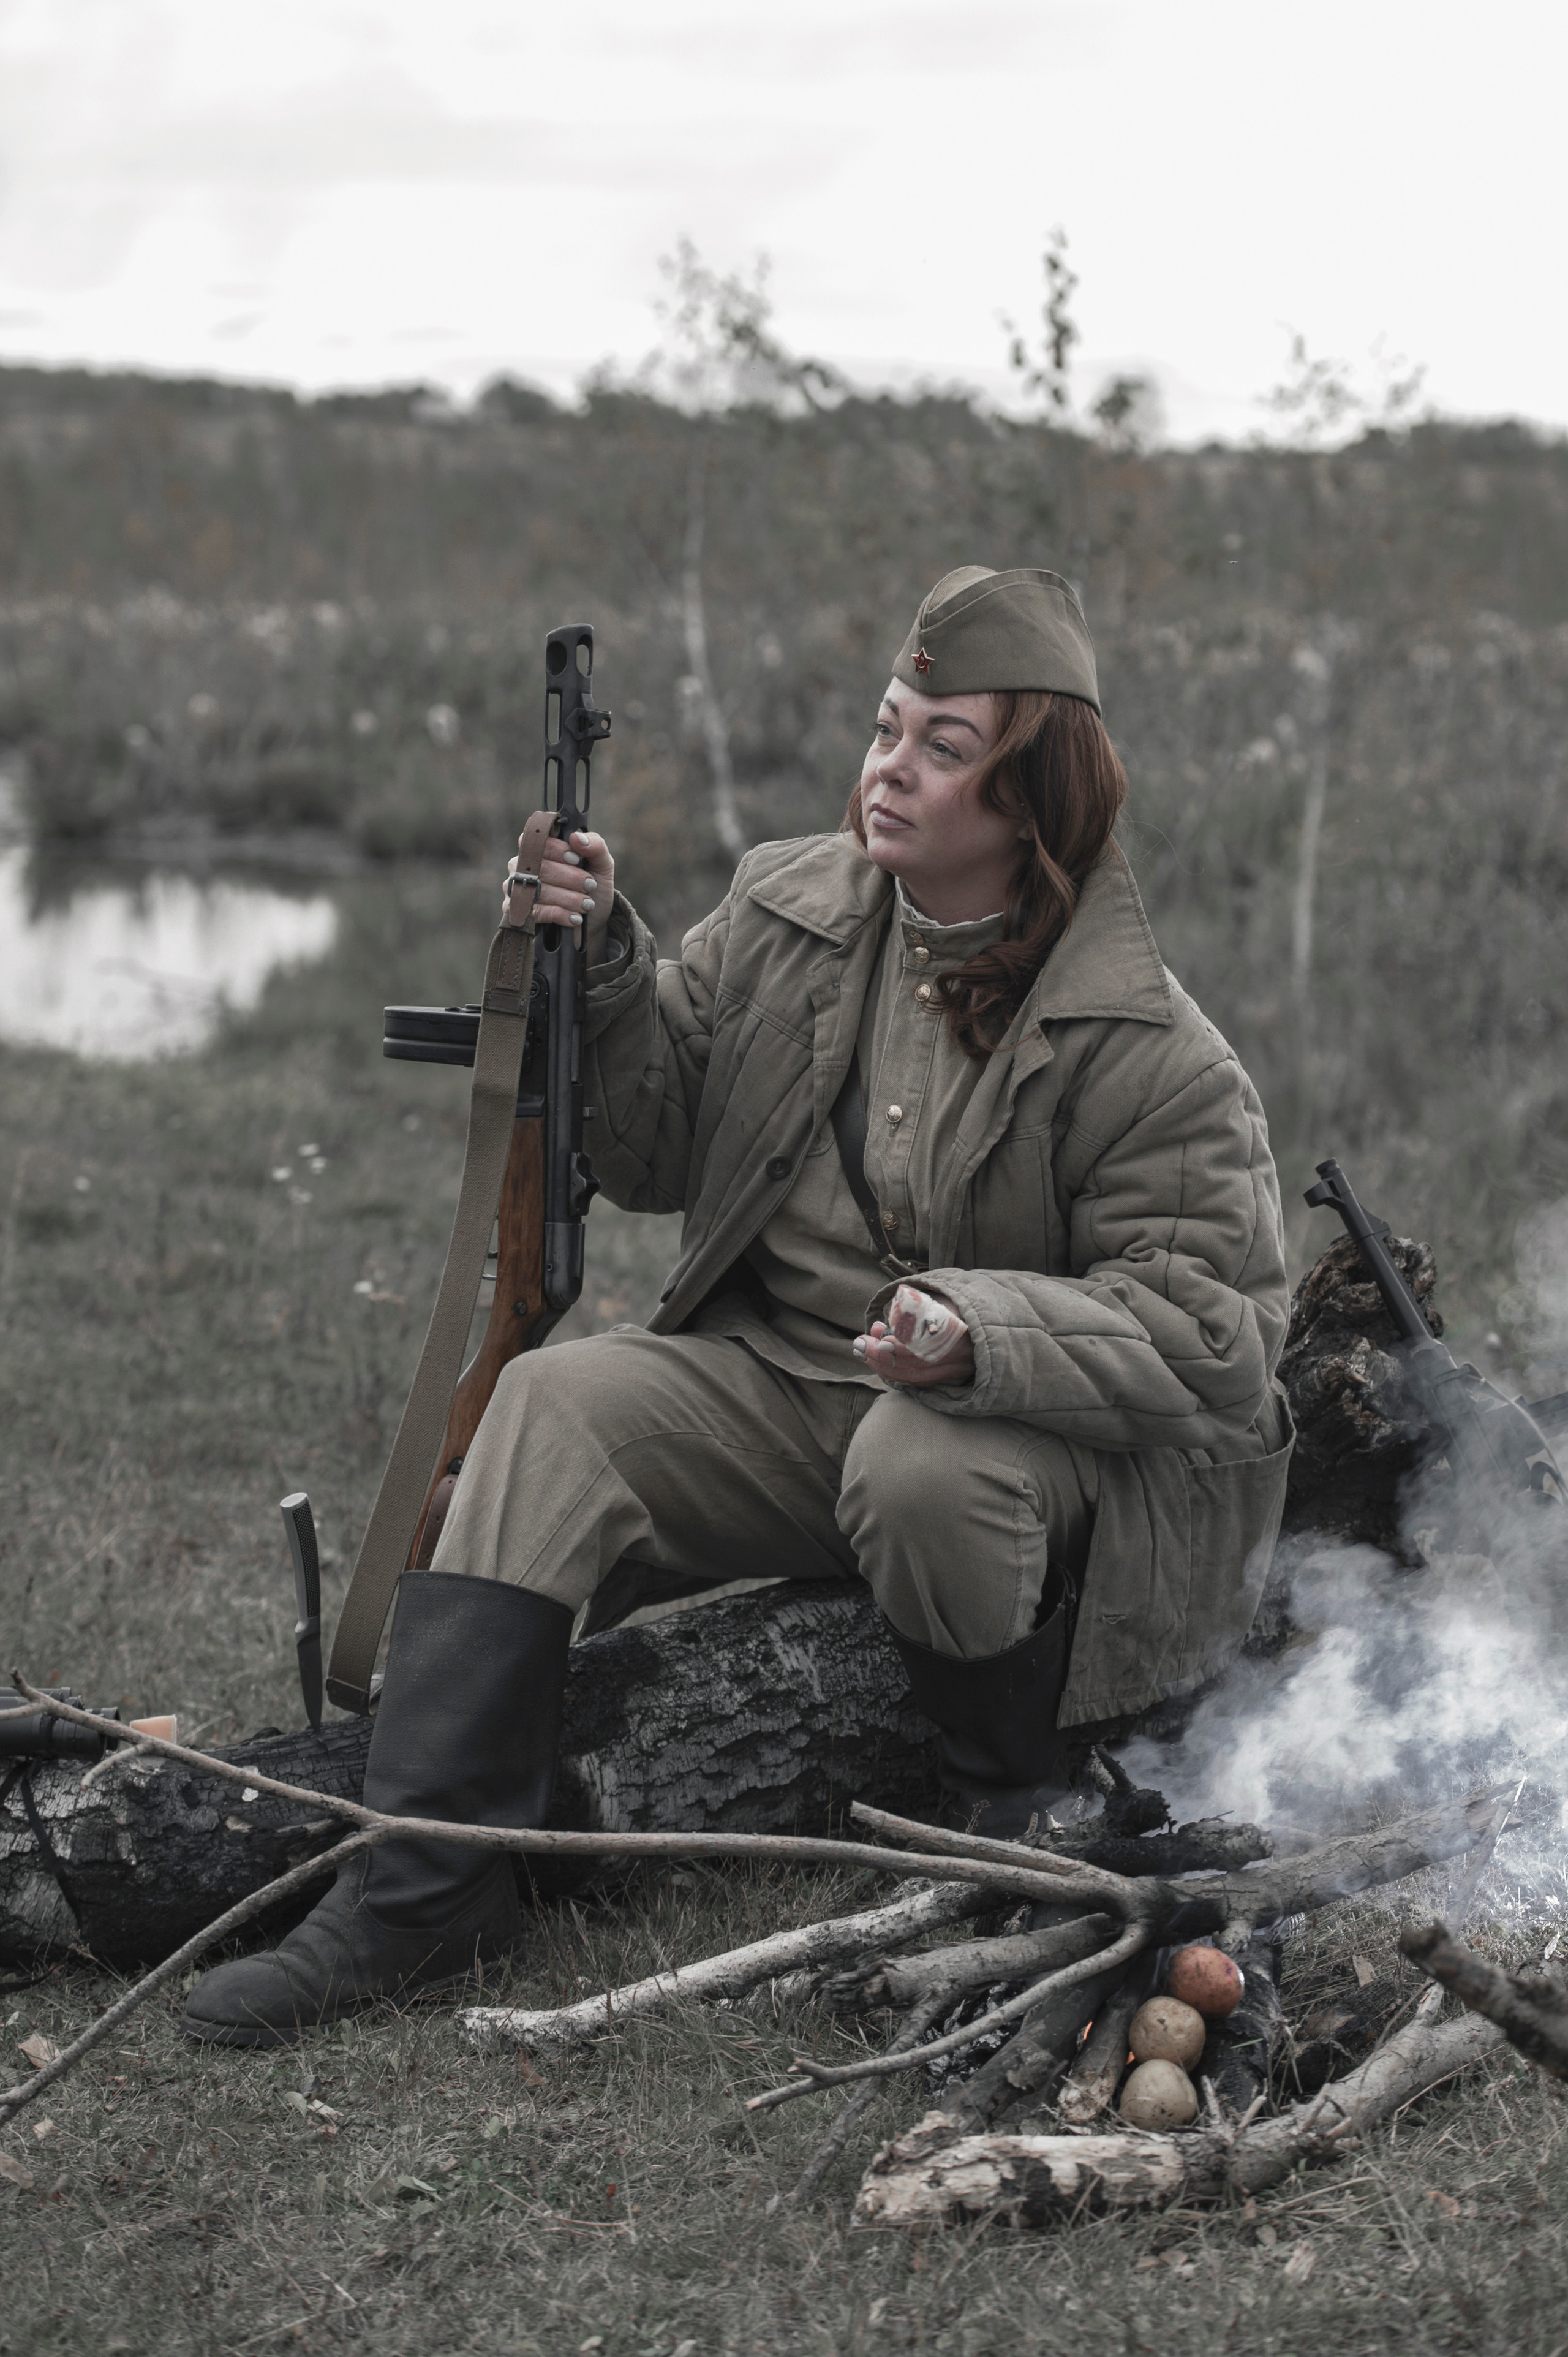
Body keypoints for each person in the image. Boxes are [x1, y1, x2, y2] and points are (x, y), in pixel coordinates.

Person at [184, 565, 1294, 2048]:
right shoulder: (791, 911)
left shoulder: (1146, 1043)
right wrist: (607, 967)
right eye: (886, 727)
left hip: (1009, 1441)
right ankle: (424, 1887)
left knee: (919, 1467)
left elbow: (1220, 1336)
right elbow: (650, 1147)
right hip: (778, 1388)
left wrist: (980, 1336)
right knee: (551, 1404)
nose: (887, 767)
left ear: (1028, 802)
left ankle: (1004, 1813)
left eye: (939, 747)